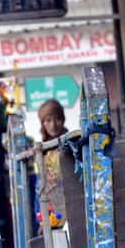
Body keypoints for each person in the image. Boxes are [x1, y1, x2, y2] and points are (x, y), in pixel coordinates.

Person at [37, 98, 70, 229]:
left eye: (57, 119)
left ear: (63, 120)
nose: (53, 125)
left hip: (72, 209)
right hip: (53, 215)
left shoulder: (72, 144)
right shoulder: (41, 150)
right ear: (43, 123)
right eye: (48, 120)